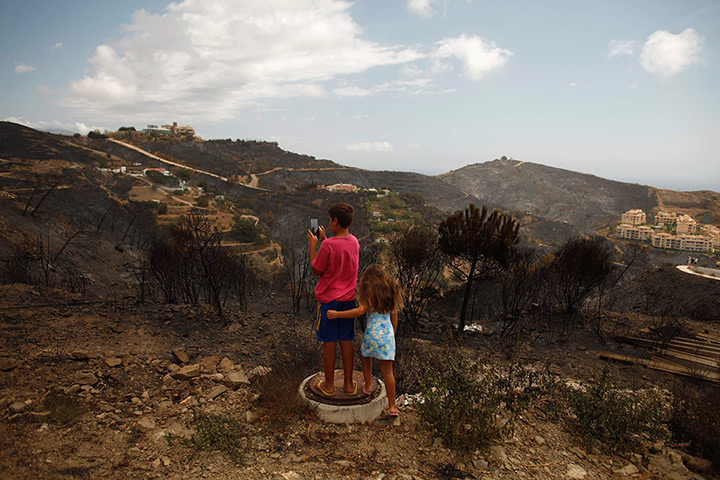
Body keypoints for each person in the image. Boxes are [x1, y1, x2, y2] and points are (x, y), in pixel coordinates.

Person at [328, 264, 404, 417]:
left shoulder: (370, 291)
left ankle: (368, 385)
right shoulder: (390, 290)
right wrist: (392, 332)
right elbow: (394, 314)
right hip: (387, 336)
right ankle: (393, 407)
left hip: (371, 334)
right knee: (388, 372)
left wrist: (337, 314)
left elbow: (359, 311)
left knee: (365, 357)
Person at [307, 203, 360, 397]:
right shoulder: (354, 242)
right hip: (348, 301)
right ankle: (348, 384)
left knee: (329, 341)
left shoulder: (328, 246)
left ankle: (329, 385)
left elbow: (316, 269)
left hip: (329, 302)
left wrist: (314, 247)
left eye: (330, 220)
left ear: (335, 221)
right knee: (346, 340)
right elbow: (339, 255)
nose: (329, 223)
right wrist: (325, 240)